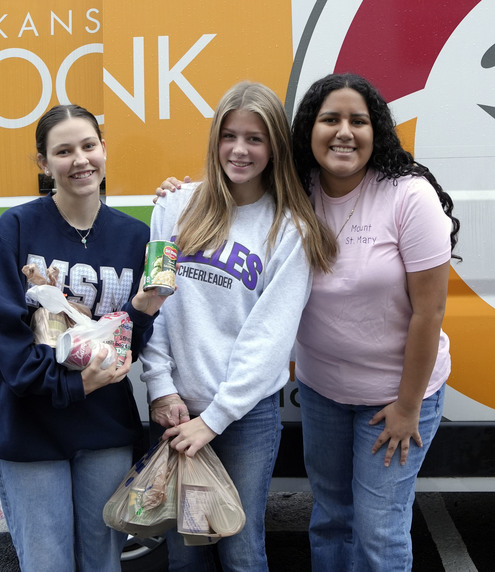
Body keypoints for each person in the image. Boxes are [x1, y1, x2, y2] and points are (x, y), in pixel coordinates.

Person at [158, 72, 460, 572]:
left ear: (376, 130)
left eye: (358, 121)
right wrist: (177, 190)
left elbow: (430, 312)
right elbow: (229, 193)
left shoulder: (408, 195)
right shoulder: (301, 193)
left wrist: (408, 406)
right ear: (307, 133)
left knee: (379, 530)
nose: (344, 131)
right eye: (330, 120)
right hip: (324, 392)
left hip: (395, 395)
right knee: (331, 519)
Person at [140, 81, 337, 572]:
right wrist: (161, 389)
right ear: (215, 139)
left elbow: (270, 338)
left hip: (244, 416)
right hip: (178, 410)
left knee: (241, 549)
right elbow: (155, 306)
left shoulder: (291, 226)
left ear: (274, 146)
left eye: (255, 138)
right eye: (229, 135)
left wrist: (215, 419)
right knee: (186, 554)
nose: (240, 150)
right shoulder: (174, 206)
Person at [0, 104, 168, 572]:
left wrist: (140, 313)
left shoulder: (134, 237)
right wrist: (71, 386)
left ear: (103, 149)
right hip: (30, 425)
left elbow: (128, 344)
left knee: (103, 563)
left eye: (88, 146)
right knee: (47, 564)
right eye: (63, 151)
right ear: (44, 163)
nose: (80, 160)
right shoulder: (15, 229)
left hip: (103, 428)